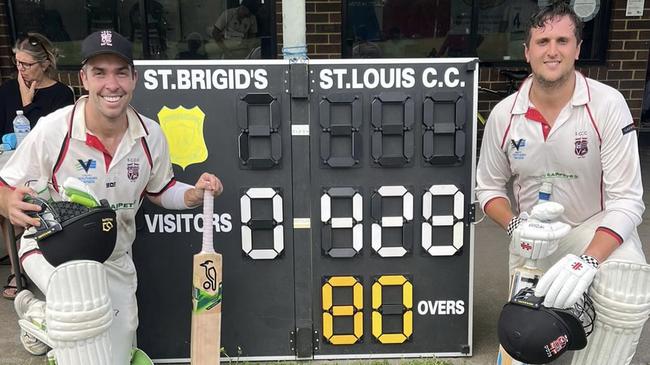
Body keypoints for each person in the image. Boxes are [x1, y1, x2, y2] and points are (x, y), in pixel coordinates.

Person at [0, 30, 223, 364]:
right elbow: (5, 183)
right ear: (84, 79)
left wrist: (193, 194)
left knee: (116, 356)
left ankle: (43, 317)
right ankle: (55, 320)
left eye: (120, 72)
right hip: (52, 249)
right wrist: (7, 202)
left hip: (114, 256)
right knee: (82, 333)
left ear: (134, 78)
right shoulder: (53, 129)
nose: (112, 84)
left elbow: (160, 190)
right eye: (100, 73)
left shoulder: (150, 135)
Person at [476, 2, 650, 364]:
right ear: (527, 51)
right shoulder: (504, 114)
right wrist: (515, 224)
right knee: (525, 337)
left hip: (592, 225)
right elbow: (488, 188)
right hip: (534, 235)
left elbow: (628, 200)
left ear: (577, 48)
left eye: (562, 40)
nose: (551, 51)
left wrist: (587, 259)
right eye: (542, 42)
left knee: (627, 288)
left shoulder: (607, 104)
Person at [0, 32, 74, 300]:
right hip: (10, 164)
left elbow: (52, 137)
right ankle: (17, 268)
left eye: (27, 64)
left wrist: (28, 104)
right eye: (17, 63)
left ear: (44, 63)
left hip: (45, 169)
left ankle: (40, 261)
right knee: (6, 206)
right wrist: (20, 99)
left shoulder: (61, 94)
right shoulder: (8, 91)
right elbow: (5, 130)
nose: (20, 69)